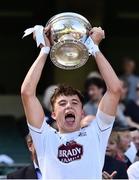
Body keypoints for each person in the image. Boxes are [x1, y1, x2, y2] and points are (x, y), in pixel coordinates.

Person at [21, 25, 122, 179]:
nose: (69, 105)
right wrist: (44, 51)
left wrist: (94, 49)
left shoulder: (96, 133)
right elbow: (27, 93)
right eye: (62, 104)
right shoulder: (45, 137)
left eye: (74, 102)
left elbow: (114, 90)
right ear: (53, 114)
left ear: (82, 112)